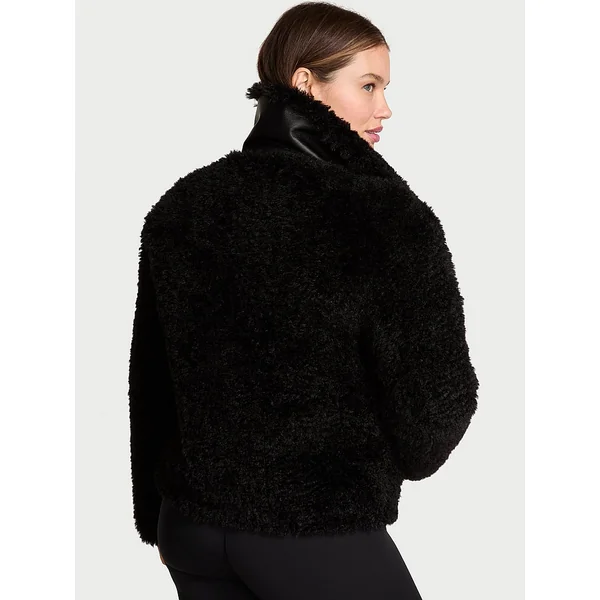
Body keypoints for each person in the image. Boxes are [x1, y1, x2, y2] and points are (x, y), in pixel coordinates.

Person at [127, 2, 480, 598]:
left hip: (188, 527)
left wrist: (155, 516)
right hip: (311, 526)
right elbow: (433, 413)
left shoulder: (185, 204)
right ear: (306, 83)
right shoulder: (381, 214)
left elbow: (152, 381)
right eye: (368, 86)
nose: (384, 108)